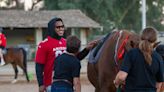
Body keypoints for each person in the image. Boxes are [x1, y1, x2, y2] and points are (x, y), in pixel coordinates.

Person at [35, 17, 98, 92]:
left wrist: (86, 49)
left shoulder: (66, 42)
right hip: (50, 84)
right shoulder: (44, 44)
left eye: (62, 26)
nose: (61, 29)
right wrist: (41, 84)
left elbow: (75, 59)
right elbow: (39, 66)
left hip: (67, 84)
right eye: (58, 27)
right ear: (52, 28)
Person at [114, 27, 164, 92]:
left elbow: (121, 77)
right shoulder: (158, 58)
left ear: (140, 38)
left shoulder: (131, 53)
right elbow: (159, 84)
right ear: (155, 41)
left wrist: (116, 82)